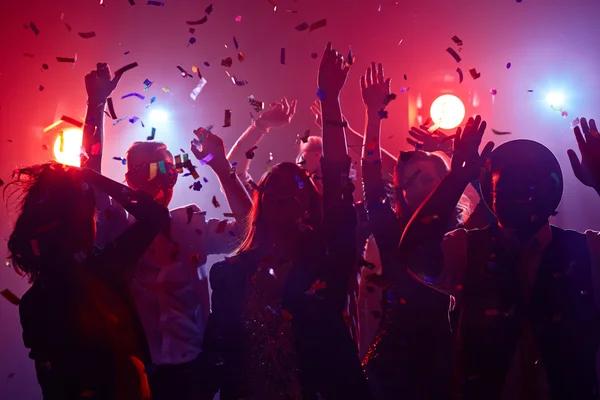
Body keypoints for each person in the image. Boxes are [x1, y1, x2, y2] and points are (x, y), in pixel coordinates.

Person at [202, 42, 371, 400]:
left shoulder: (328, 256)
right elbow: (218, 356)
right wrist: (221, 162)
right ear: (260, 202)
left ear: (309, 203)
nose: (285, 191)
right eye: (274, 186)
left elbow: (338, 176)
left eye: (297, 185)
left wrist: (329, 99)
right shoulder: (230, 274)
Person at [399, 115, 600, 399]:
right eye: (510, 186)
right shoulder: (466, 250)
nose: (523, 196)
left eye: (532, 185)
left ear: (554, 191)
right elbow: (415, 257)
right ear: (490, 195)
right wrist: (456, 178)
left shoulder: (588, 251)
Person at [83, 63, 253, 399]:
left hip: (195, 377)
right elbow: (89, 174)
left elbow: (249, 230)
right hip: (135, 375)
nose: (163, 177)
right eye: (151, 169)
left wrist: (219, 164)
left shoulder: (187, 225)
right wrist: (96, 103)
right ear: (128, 180)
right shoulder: (116, 225)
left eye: (170, 168)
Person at [8, 162, 169, 400]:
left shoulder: (34, 302)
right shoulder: (104, 269)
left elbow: (51, 381)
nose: (91, 226)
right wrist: (95, 178)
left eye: (91, 217)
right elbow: (155, 216)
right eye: (85, 219)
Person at [357, 62, 470, 399]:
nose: (422, 182)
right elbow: (372, 182)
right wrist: (373, 116)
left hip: (455, 361)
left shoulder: (467, 236)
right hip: (395, 369)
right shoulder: (393, 237)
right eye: (411, 178)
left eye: (430, 175)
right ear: (401, 194)